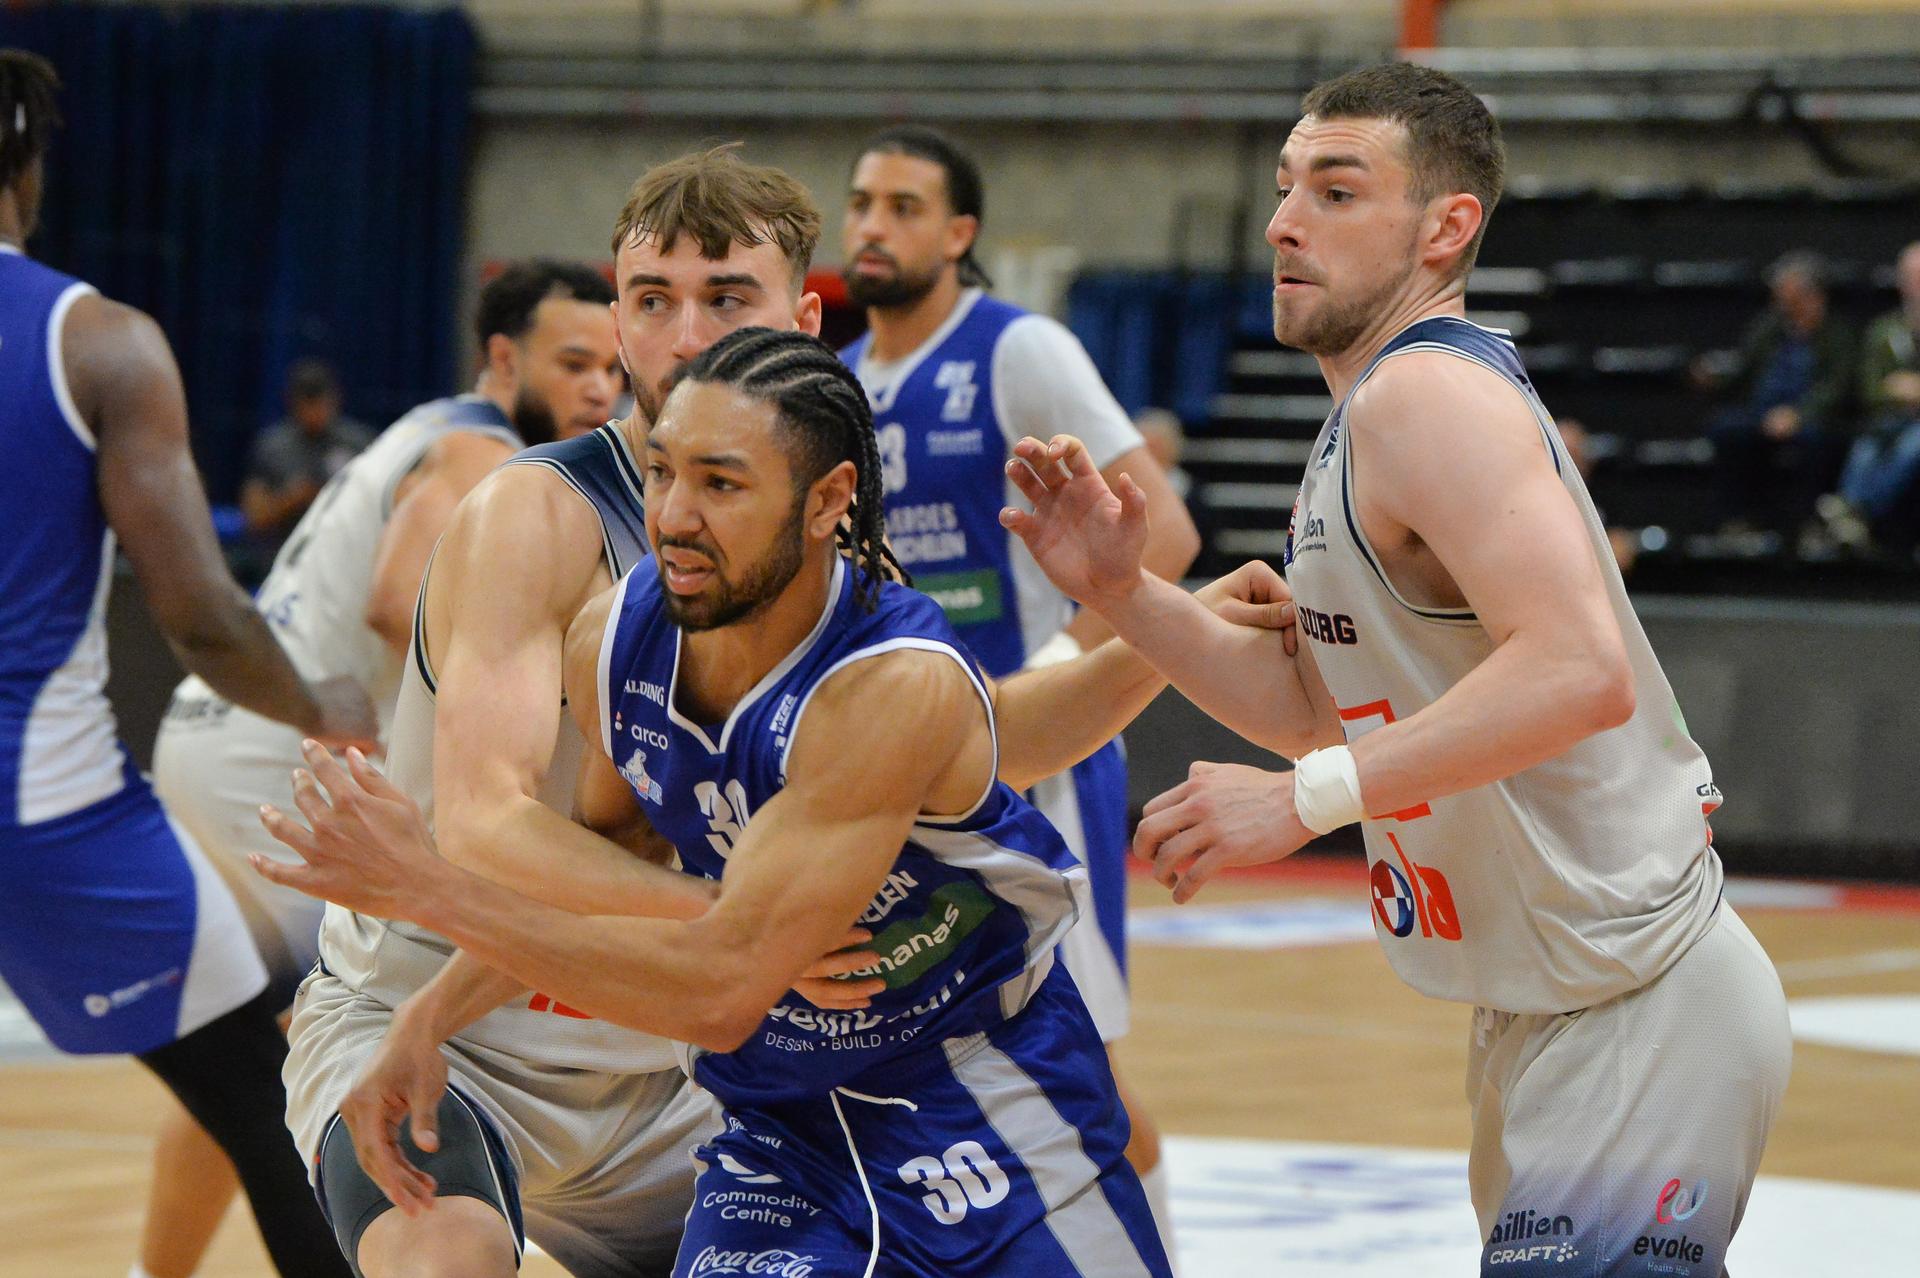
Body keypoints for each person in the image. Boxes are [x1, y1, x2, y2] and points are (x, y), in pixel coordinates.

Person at [997, 63, 1791, 1277]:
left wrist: (1302, 804)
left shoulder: (1424, 394)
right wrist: (1122, 593)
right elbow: (1322, 713)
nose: (1281, 222)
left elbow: (1580, 670)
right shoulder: (1365, 419)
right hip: (1553, 1008)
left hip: (1639, 998)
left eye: (1335, 188)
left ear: (1446, 228)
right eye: (1281, 187)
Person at [254, 325, 1219, 1278]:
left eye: (719, 485)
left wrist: (426, 886)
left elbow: (719, 988)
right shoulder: (618, 640)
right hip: (779, 1138)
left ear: (826, 501)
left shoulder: (887, 683)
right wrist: (427, 1015)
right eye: (664, 473)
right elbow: (611, 876)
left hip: (976, 1095)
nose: (673, 515)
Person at [261, 146, 852, 1278]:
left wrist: (1133, 619)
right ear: (619, 325)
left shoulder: (823, 531)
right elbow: (487, 829)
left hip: (677, 1060)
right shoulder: (534, 514)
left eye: (727, 298)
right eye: (651, 301)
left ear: (805, 320)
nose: (687, 337)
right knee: (453, 1262)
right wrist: (733, 918)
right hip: (452, 1033)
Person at [133, 259, 621, 1278]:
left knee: (255, 1055)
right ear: (501, 357)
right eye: (573, 362)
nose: (598, 389)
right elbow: (401, 598)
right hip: (287, 771)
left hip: (220, 745)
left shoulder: (436, 430)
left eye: (610, 368)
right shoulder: (480, 452)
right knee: (336, 1046)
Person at [0, 48, 374, 1278]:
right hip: (42, 818)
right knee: (274, 1107)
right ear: (29, 163)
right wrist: (320, 703)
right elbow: (202, 619)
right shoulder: (96, 341)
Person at [838, 125, 1200, 1257]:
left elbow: (1170, 534)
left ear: (959, 234)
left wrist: (1049, 677)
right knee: (933, 1043)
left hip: (1030, 749)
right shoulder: (843, 381)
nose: (872, 226)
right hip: (908, 760)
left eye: (903, 206)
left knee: (1074, 1048)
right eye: (861, 203)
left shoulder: (1016, 350)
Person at [1697, 250, 1856, 535]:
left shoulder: (1837, 335)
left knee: (1817, 441)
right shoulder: (1769, 327)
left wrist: (1798, 415)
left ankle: (1810, 524)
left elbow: (1838, 387)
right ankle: (1737, 521)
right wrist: (1714, 379)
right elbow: (1743, 371)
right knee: (1727, 430)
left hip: (1811, 417)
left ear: (1809, 293)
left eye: (1787, 291)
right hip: (1763, 413)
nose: (1779, 297)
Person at [1816, 240, 1920, 553]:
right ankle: (1852, 512)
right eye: (1912, 278)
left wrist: (1907, 386)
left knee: (1913, 443)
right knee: (1867, 444)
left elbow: (1894, 386)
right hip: (1890, 420)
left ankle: (1853, 511)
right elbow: (1871, 390)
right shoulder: (1883, 330)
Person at [242, 359, 376, 547]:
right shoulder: (272, 447)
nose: (314, 413)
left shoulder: (359, 443)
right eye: (308, 403)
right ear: (293, 403)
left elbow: (381, 508)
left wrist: (336, 497)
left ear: (335, 399)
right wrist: (291, 499)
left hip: (347, 547)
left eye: (320, 403)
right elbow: (254, 519)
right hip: (286, 550)